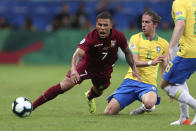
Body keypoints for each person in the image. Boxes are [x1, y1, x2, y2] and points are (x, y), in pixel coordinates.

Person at [32, 11, 140, 114]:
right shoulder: (91, 37)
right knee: (64, 86)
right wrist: (74, 70)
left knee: (99, 91)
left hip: (104, 70)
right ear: (96, 25)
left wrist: (134, 68)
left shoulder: (118, 36)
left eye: (105, 25)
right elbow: (77, 54)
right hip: (87, 66)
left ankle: (89, 96)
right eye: (100, 25)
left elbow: (128, 53)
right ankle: (32, 106)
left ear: (111, 25)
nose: (102, 28)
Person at [104, 11, 168, 115]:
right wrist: (151, 62)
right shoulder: (136, 38)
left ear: (155, 25)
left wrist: (167, 85)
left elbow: (164, 67)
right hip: (131, 81)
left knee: (149, 103)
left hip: (148, 84)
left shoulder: (164, 44)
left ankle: (144, 107)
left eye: (147, 22)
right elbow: (134, 62)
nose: (143, 24)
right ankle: (127, 97)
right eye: (142, 22)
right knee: (108, 112)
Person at [160, 0, 196, 125]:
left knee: (166, 84)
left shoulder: (180, 2)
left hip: (189, 52)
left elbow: (180, 24)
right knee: (180, 80)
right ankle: (184, 117)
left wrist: (171, 46)